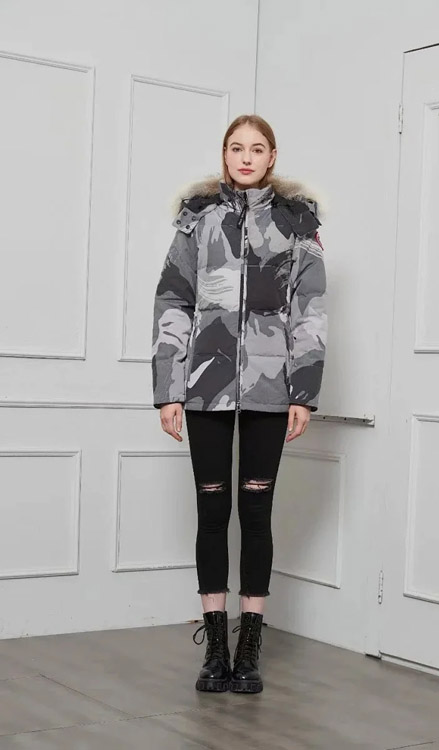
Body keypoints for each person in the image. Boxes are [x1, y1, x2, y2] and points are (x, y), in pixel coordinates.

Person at [151, 114, 328, 694]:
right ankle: (215, 647)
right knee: (211, 513)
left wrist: (304, 392)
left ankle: (250, 644)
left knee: (256, 514)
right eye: (236, 148)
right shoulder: (197, 219)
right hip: (205, 387)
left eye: (256, 149)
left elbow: (309, 310)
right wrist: (168, 389)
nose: (245, 157)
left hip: (271, 392)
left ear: (272, 156)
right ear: (224, 155)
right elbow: (173, 301)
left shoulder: (296, 223)